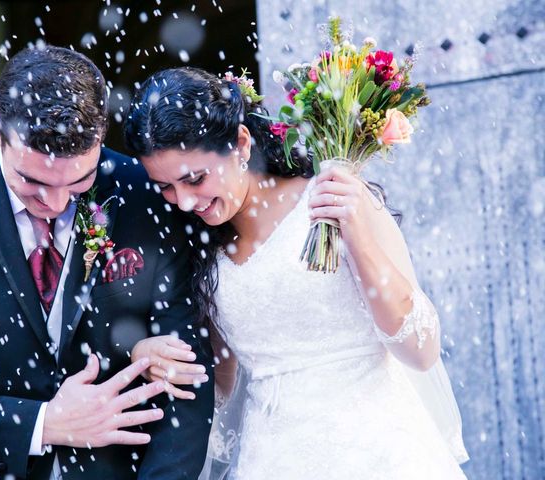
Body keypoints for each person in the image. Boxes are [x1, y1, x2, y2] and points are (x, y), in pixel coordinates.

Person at [123, 67, 469, 479]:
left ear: (240, 143)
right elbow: (220, 384)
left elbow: (420, 349)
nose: (182, 202)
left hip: (378, 452)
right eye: (165, 187)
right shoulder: (202, 250)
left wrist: (356, 230)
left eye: (194, 179)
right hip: (271, 460)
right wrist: (150, 355)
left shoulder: (334, 200)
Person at [0, 47, 214, 480]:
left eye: (79, 182)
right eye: (32, 182)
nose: (54, 203)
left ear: (102, 135)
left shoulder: (146, 196)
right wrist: (42, 424)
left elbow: (187, 377)